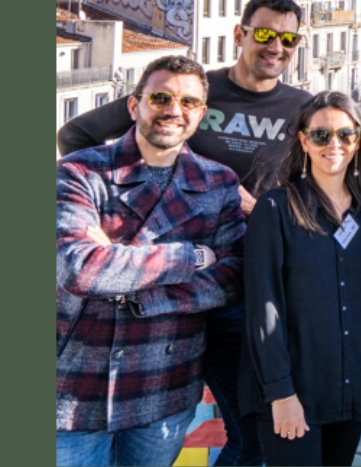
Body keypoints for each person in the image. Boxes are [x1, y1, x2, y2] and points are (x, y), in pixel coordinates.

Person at [58, 0, 311, 467]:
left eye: (287, 38)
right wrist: (117, 224)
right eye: (263, 33)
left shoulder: (303, 108)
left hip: (239, 286)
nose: (275, 45)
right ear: (239, 34)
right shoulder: (188, 86)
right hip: (165, 279)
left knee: (250, 430)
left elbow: (322, 190)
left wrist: (263, 211)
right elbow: (75, 135)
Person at [57, 55, 246, 467]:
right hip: (75, 385)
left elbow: (231, 277)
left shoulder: (218, 182)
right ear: (134, 105)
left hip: (164, 384)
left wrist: (131, 282)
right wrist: (192, 255)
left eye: (188, 102)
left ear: (201, 114)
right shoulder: (78, 172)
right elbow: (78, 267)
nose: (173, 111)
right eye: (161, 97)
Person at [240, 91, 361, 466]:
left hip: (350, 390)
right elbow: (262, 308)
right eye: (321, 135)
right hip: (292, 392)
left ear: (358, 141)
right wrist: (280, 393)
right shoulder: (275, 208)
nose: (334, 144)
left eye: (345, 135)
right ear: (303, 140)